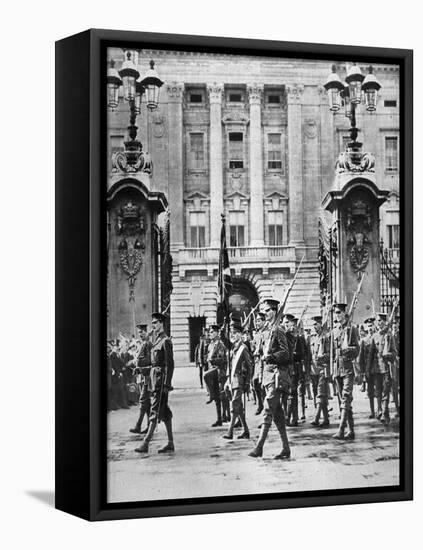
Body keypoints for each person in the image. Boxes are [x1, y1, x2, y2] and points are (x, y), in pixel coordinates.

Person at [248, 299, 291, 460]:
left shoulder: (278, 329)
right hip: (268, 376)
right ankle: (286, 448)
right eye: (264, 311)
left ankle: (259, 447)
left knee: (267, 410)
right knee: (278, 415)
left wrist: (271, 356)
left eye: (267, 311)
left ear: (274, 311)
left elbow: (286, 353)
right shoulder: (268, 331)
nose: (265, 314)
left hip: (277, 376)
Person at [135, 312, 175, 454]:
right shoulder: (157, 340)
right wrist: (142, 370)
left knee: (155, 411)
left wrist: (167, 385)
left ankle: (145, 443)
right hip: (154, 380)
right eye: (152, 323)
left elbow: (170, 365)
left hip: (160, 382)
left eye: (156, 322)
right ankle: (170, 443)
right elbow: (153, 363)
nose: (154, 325)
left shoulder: (165, 341)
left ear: (162, 324)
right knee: (164, 412)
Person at [331, 303, 360, 440]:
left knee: (346, 398)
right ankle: (351, 431)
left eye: (339, 312)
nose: (337, 315)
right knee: (342, 400)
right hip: (338, 368)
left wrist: (348, 350)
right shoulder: (335, 330)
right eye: (336, 313)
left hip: (348, 367)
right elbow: (332, 353)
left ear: (344, 313)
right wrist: (332, 370)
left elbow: (357, 350)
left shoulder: (352, 329)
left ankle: (341, 430)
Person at [222, 319, 252, 440]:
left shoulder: (243, 348)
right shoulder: (233, 346)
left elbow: (249, 367)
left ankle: (230, 432)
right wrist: (225, 324)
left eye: (235, 333)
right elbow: (223, 339)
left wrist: (248, 382)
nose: (233, 335)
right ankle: (245, 430)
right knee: (237, 405)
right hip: (231, 379)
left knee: (235, 404)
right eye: (232, 333)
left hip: (239, 380)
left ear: (240, 334)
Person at [367, 312, 396, 425]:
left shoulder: (389, 336)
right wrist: (368, 369)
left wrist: (388, 354)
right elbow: (370, 355)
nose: (378, 323)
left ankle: (384, 412)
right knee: (378, 391)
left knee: (385, 391)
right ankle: (382, 411)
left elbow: (394, 352)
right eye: (377, 321)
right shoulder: (374, 336)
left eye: (380, 321)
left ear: (384, 322)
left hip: (386, 368)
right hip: (376, 369)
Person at [203, 324, 230, 426]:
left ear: (217, 333)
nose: (209, 334)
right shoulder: (211, 344)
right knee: (217, 398)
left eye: (211, 332)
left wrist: (213, 360)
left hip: (220, 371)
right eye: (209, 332)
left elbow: (223, 360)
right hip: (213, 371)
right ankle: (219, 419)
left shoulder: (220, 345)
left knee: (222, 395)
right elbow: (207, 356)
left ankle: (225, 416)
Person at [283, 313, 307, 426]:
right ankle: (290, 417)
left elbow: (303, 353)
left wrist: (292, 354)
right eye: (284, 322)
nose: (285, 324)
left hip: (294, 368)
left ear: (292, 323)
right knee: (288, 393)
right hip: (287, 367)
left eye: (287, 322)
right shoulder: (284, 335)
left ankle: (292, 418)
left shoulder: (299, 338)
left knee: (293, 393)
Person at [308, 316, 330, 428]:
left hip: (322, 369)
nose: (314, 326)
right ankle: (326, 419)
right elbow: (310, 355)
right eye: (313, 324)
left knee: (321, 393)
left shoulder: (325, 337)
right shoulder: (312, 338)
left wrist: (322, 357)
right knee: (318, 394)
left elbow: (329, 354)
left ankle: (316, 418)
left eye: (316, 324)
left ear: (321, 324)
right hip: (313, 370)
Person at [130, 324, 152, 435]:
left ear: (147, 332)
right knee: (146, 403)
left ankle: (138, 425)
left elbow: (151, 361)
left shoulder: (148, 344)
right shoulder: (142, 344)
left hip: (147, 377)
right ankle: (149, 426)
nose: (141, 334)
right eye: (140, 332)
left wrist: (139, 366)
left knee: (143, 401)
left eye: (143, 332)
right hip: (142, 377)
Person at [358, 317, 377, 418]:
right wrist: (362, 371)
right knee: (370, 392)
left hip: (378, 368)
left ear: (374, 326)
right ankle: (372, 411)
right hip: (369, 369)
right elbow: (361, 357)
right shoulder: (364, 341)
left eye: (371, 326)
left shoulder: (378, 337)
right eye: (368, 326)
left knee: (379, 390)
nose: (370, 328)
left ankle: (380, 410)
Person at [251, 312, 267, 415]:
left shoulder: (266, 333)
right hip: (257, 363)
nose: (257, 323)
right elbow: (253, 349)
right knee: (254, 382)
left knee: (263, 386)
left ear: (264, 321)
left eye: (259, 320)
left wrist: (260, 350)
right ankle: (260, 403)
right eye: (256, 321)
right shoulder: (256, 335)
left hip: (264, 363)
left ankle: (265, 407)